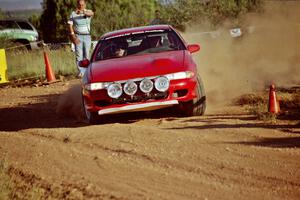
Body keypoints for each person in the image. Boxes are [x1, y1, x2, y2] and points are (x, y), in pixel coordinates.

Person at [68, 0, 94, 77]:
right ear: (77, 5)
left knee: (87, 54)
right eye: (80, 5)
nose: (81, 6)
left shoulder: (88, 11)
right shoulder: (73, 14)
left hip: (87, 36)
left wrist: (82, 12)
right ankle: (81, 71)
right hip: (78, 36)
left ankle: (87, 71)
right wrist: (73, 36)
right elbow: (70, 25)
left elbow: (92, 14)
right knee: (79, 55)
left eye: (82, 5)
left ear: (85, 5)